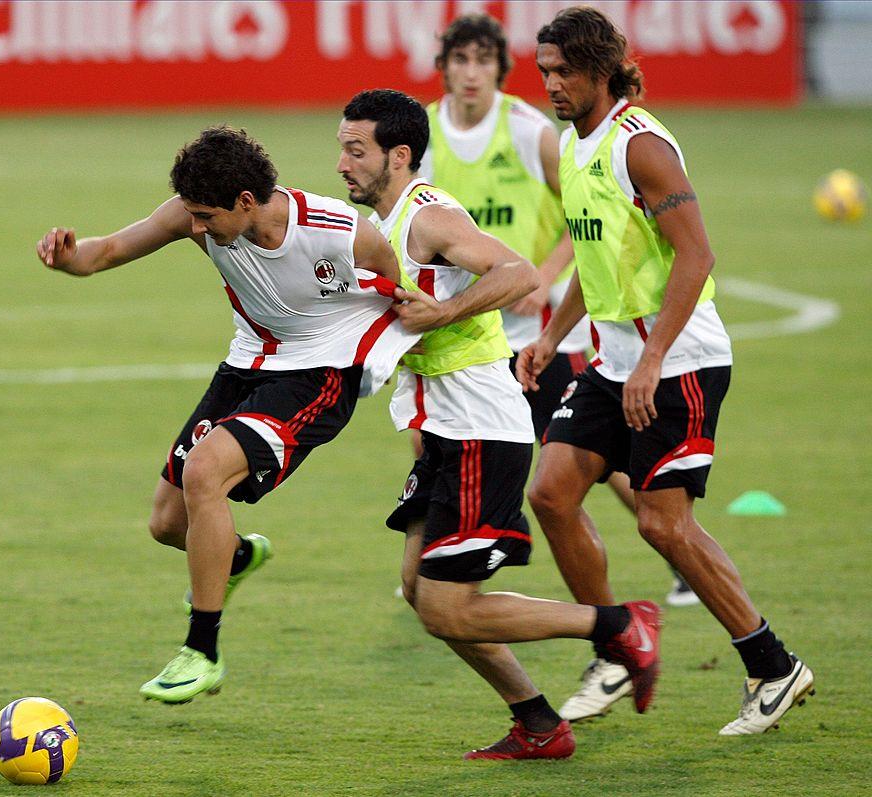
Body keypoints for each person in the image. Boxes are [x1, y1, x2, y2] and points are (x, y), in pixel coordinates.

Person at [35, 126, 421, 705]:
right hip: (247, 365)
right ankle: (236, 555)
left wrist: (387, 356)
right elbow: (106, 251)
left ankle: (202, 651)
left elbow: (395, 288)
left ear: (245, 201)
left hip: (319, 374)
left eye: (205, 217)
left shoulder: (337, 231)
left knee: (204, 472)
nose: (194, 228)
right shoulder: (192, 214)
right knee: (168, 524)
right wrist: (69, 259)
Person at [338, 88, 663, 761]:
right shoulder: (381, 222)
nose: (342, 163)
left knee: (448, 607)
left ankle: (618, 624)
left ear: (398, 156)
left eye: (355, 150)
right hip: (444, 428)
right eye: (341, 148)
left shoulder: (429, 215)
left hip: (480, 427)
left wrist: (442, 314)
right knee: (420, 591)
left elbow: (518, 273)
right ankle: (539, 722)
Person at [519, 6, 813, 735]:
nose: (551, 84)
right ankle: (616, 648)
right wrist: (552, 336)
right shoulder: (573, 144)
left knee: (663, 524)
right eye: (545, 71)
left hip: (680, 362)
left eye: (564, 71)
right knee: (551, 493)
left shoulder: (640, 145)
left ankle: (773, 665)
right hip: (616, 363)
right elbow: (598, 260)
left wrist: (651, 361)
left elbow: (697, 254)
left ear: (600, 71)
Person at [421, 12, 699, 625]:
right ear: (443, 68)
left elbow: (584, 220)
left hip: (534, 328)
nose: (471, 73)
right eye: (460, 60)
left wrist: (542, 277)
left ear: (500, 69)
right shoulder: (426, 135)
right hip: (469, 328)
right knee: (435, 437)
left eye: (484, 60)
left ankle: (672, 548)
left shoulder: (532, 132)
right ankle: (436, 559)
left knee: (581, 455)